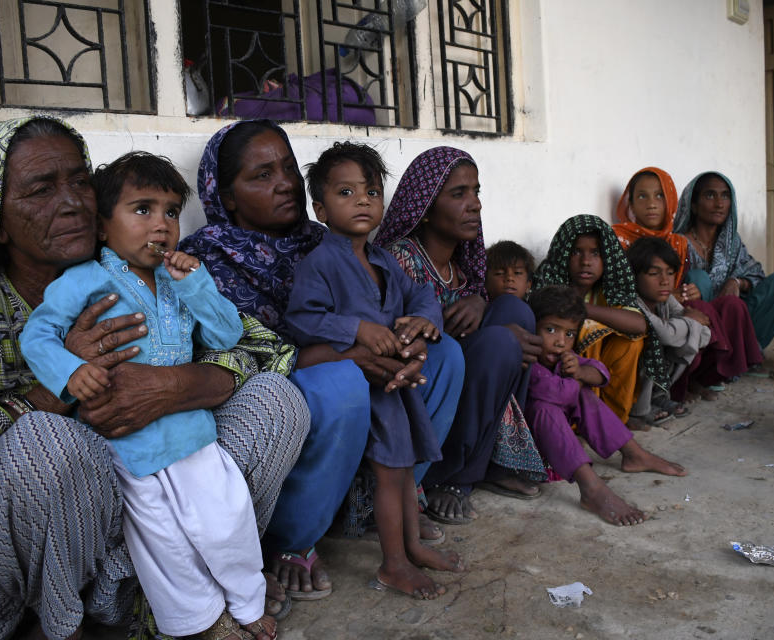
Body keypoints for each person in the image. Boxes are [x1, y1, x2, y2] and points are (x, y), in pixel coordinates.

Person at [0, 117, 308, 640]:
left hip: (160, 486)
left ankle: (176, 597)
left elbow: (267, 347)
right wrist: (50, 392)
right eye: (41, 189)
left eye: (81, 181)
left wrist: (176, 386)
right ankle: (53, 619)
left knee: (278, 399)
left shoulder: (143, 276)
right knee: (46, 445)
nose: (73, 203)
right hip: (45, 534)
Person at [179, 120, 465, 599]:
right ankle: (295, 536)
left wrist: (414, 337)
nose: (285, 183)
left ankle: (390, 509)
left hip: (367, 369)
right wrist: (353, 351)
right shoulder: (201, 261)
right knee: (343, 385)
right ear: (226, 196)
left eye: (289, 168)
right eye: (262, 175)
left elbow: (409, 297)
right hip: (279, 388)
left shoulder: (334, 239)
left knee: (447, 353)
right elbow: (244, 349)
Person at [19, 152, 274, 640]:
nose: (160, 225)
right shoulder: (86, 280)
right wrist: (71, 373)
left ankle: (247, 599)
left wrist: (197, 284)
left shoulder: (180, 280)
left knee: (229, 521)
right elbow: (38, 335)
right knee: (164, 542)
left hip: (192, 432)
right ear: (101, 226)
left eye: (172, 212)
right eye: (142, 209)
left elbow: (224, 335)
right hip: (128, 443)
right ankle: (199, 622)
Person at [285, 142, 464, 599]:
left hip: (395, 386)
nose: (362, 201)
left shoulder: (384, 260)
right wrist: (357, 328)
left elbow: (422, 296)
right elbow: (302, 320)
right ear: (321, 209)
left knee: (403, 471)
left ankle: (409, 548)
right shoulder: (320, 264)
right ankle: (394, 565)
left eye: (372, 191)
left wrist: (426, 323)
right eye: (346, 192)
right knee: (390, 473)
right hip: (366, 387)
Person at [374, 146, 547, 525]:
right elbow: (404, 337)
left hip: (467, 380)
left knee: (517, 311)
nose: (475, 205)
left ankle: (489, 460)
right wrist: (491, 329)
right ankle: (449, 476)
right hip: (419, 390)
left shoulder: (466, 265)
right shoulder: (400, 257)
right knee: (502, 341)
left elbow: (480, 319)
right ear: (425, 205)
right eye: (458, 194)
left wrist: (482, 305)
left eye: (476, 192)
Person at [525, 285, 686, 525]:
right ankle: (590, 487)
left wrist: (580, 371)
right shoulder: (529, 364)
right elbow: (556, 394)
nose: (560, 342)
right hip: (530, 448)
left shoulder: (562, 358)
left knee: (586, 394)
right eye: (550, 330)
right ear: (531, 328)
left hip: (556, 440)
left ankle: (633, 454)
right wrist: (578, 379)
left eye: (569, 334)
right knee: (549, 406)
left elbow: (601, 373)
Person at [613, 167, 762, 402]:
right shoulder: (617, 238)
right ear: (630, 203)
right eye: (642, 196)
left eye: (659, 196)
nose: (652, 204)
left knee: (708, 311)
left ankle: (704, 375)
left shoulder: (675, 241)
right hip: (641, 310)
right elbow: (621, 287)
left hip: (671, 305)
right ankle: (687, 383)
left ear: (670, 200)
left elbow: (677, 283)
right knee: (694, 316)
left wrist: (685, 293)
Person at [536, 214, 671, 430]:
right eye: (577, 252)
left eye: (595, 253)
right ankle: (580, 422)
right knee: (586, 330)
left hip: (597, 372)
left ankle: (613, 420)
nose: (586, 261)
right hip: (557, 372)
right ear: (564, 254)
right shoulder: (549, 286)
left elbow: (639, 324)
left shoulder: (610, 290)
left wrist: (582, 309)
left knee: (631, 341)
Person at [673, 171, 774, 350]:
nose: (719, 204)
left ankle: (748, 351)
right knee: (698, 278)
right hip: (700, 322)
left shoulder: (732, 242)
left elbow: (756, 274)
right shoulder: (678, 243)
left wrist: (736, 282)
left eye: (725, 196)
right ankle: (714, 353)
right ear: (694, 205)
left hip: (733, 319)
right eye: (710, 195)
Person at [626, 238, 712, 419]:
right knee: (653, 343)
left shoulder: (665, 299)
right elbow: (665, 334)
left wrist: (681, 327)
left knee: (685, 343)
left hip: (668, 338)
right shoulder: (632, 302)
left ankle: (657, 396)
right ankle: (637, 406)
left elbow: (705, 334)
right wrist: (688, 322)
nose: (665, 281)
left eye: (670, 273)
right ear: (634, 276)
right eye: (653, 273)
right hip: (626, 379)